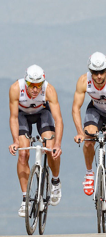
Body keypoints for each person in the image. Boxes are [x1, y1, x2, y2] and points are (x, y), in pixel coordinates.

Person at [72, 52, 106, 225]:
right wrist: (80, 132)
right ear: (90, 71)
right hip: (95, 111)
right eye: (94, 72)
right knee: (88, 139)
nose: (98, 76)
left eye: (102, 72)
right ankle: (89, 174)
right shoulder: (83, 81)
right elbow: (76, 108)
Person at [9, 64, 64, 217]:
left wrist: (58, 144)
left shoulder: (49, 90)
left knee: (51, 148)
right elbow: (13, 117)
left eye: (38, 85)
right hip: (22, 115)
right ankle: (25, 199)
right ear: (25, 82)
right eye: (31, 85)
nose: (34, 89)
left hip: (42, 114)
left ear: (42, 83)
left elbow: (58, 120)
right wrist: (15, 141)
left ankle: (55, 181)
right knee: (23, 154)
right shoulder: (15, 88)